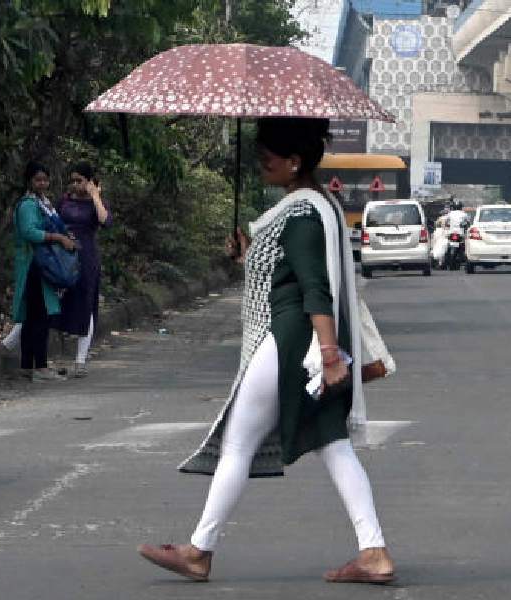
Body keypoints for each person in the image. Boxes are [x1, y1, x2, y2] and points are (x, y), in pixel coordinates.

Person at [137, 118, 395, 585]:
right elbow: (289, 276)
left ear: (294, 161)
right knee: (333, 443)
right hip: (302, 340)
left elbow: (315, 290)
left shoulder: (299, 215)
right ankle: (373, 551)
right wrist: (250, 255)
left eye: (269, 158)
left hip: (291, 341)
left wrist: (330, 354)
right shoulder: (320, 206)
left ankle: (199, 551)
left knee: (238, 442)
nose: (262, 164)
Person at [12, 161, 75, 381]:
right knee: (39, 317)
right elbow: (30, 232)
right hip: (34, 265)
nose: (42, 183)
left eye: (45, 179)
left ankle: (27, 365)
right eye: (38, 179)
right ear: (30, 180)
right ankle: (40, 367)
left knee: (33, 317)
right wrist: (57, 238)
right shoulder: (28, 205)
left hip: (41, 264)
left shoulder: (44, 203)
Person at [53, 162, 112, 377]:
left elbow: (105, 221)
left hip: (86, 257)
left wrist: (95, 196)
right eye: (73, 181)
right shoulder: (64, 201)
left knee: (86, 305)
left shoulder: (96, 203)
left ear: (89, 182)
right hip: (62, 256)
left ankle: (80, 360)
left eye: (80, 181)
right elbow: (53, 222)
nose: (76, 185)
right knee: (51, 300)